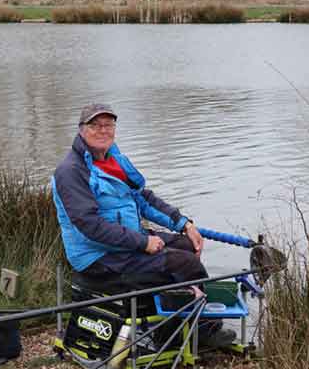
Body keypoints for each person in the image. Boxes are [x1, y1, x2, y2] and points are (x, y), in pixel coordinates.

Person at [52, 103, 206, 288]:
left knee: (188, 245)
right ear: (81, 131)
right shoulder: (71, 171)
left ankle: (179, 299)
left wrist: (184, 224)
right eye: (95, 126)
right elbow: (90, 225)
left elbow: (143, 200)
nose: (103, 131)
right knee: (187, 264)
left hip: (126, 241)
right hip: (97, 256)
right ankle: (201, 315)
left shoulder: (115, 160)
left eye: (108, 125)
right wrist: (143, 243)